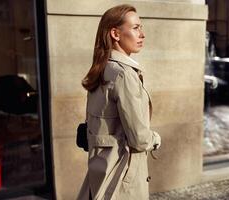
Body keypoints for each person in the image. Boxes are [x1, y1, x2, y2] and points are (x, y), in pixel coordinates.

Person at [77, 4, 161, 200]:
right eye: (135, 28)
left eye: (141, 27)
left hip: (101, 169)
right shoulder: (123, 75)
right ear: (115, 33)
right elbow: (139, 139)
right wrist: (156, 138)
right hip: (122, 175)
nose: (142, 34)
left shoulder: (103, 69)